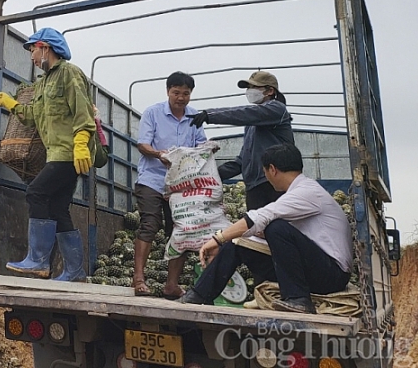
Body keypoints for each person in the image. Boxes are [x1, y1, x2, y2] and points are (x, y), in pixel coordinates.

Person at [180, 143, 353, 314]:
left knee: (275, 227)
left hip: (332, 274)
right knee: (238, 242)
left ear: (272, 169)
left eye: (265, 173)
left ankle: (298, 299)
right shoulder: (300, 192)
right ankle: (200, 295)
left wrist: (218, 239)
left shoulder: (307, 192)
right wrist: (231, 240)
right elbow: (261, 228)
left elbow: (261, 217)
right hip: (314, 268)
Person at [0, 27, 96, 282]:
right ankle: (74, 271)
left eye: (32, 49)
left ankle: (37, 261)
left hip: (70, 152)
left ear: (45, 47)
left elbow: (84, 112)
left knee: (36, 192)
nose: (31, 56)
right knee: (59, 209)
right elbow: (34, 118)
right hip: (55, 154)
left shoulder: (69, 74)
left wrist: (81, 142)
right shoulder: (43, 83)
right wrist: (13, 105)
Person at [134, 72, 208, 299]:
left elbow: (202, 145)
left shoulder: (195, 117)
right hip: (152, 179)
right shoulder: (153, 113)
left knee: (181, 231)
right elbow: (142, 145)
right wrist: (159, 154)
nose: (181, 98)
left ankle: (171, 285)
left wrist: (207, 150)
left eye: (186, 94)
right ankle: (138, 280)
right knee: (150, 223)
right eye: (176, 93)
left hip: (181, 184)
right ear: (168, 92)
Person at [190, 71, 293, 211]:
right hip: (254, 186)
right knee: (257, 230)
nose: (249, 91)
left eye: (254, 87)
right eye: (248, 88)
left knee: (276, 227)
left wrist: (210, 115)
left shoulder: (277, 110)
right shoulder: (251, 125)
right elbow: (242, 161)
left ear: (270, 91)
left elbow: (244, 113)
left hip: (275, 182)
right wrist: (210, 175)